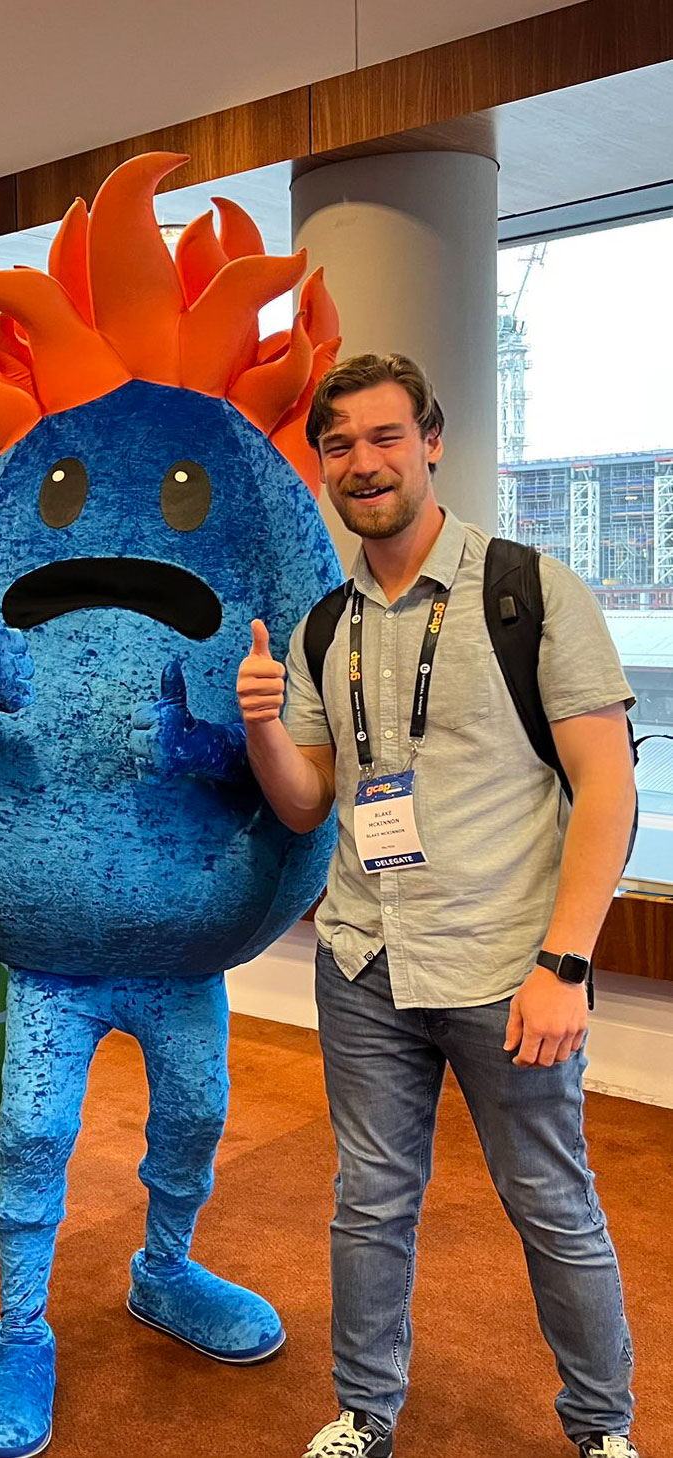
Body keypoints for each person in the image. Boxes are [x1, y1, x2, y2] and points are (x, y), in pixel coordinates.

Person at [235, 353, 638, 1458]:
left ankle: (599, 1429)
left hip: (509, 966)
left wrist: (564, 964)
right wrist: (265, 724)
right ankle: (364, 1414)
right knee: (368, 1202)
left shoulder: (529, 591)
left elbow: (606, 788)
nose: (361, 463)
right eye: (337, 446)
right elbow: (309, 798)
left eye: (381, 437)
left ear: (430, 441)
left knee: (551, 1205)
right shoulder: (324, 626)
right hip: (366, 959)